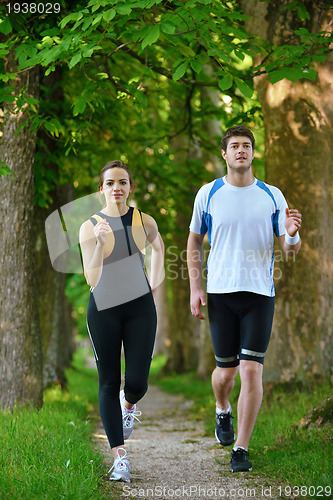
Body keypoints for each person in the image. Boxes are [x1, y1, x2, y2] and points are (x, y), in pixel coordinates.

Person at [187, 125, 302, 472]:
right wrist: (195, 288)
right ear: (224, 154)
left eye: (247, 146)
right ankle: (222, 409)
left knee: (252, 371)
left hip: (259, 295)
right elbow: (194, 242)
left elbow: (289, 251)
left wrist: (293, 236)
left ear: (254, 153)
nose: (241, 150)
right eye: (234, 145)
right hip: (220, 294)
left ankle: (241, 448)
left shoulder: (272, 195)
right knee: (226, 373)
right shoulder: (208, 194)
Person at [79, 160, 164, 482]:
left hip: (140, 306)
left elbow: (159, 248)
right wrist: (100, 244)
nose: (117, 187)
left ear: (130, 188)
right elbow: (91, 277)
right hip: (104, 309)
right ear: (101, 189)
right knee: (108, 382)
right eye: (110, 182)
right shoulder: (90, 226)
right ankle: (120, 458)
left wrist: (153, 288)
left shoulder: (144, 221)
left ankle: (128, 405)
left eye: (123, 182)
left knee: (138, 382)